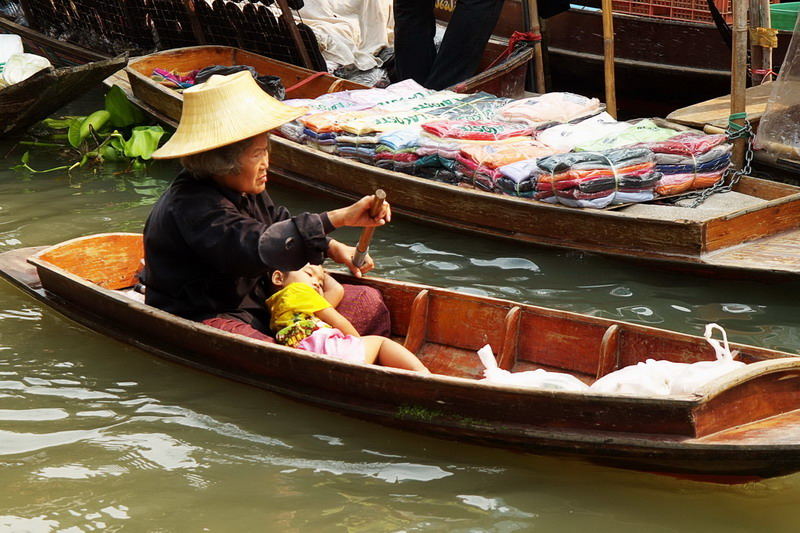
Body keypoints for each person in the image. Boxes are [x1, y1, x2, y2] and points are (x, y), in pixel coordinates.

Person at [142, 71, 392, 341]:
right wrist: (338, 218)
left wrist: (332, 247)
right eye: (257, 154)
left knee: (368, 301)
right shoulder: (192, 205)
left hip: (260, 300)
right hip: (208, 312)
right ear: (222, 162)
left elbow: (276, 222)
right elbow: (258, 245)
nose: (266, 163)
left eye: (266, 150)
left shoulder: (243, 187)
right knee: (270, 349)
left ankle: (338, 354)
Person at [267, 263, 430, 373]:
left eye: (320, 282)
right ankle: (424, 374)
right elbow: (338, 320)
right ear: (278, 278)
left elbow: (336, 291)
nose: (316, 283)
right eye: (309, 274)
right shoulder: (300, 291)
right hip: (330, 350)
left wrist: (319, 275)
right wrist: (357, 342)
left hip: (306, 354)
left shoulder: (279, 305)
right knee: (380, 343)